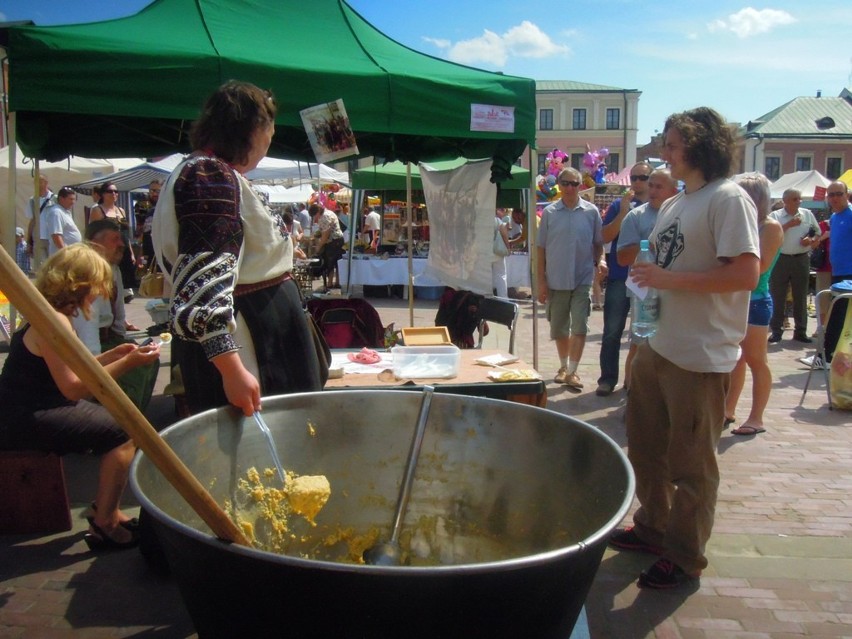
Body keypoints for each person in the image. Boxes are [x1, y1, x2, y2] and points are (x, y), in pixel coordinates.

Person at [608, 107, 760, 589]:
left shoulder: (728, 198)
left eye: (671, 144)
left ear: (698, 145)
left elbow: (745, 274)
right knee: (647, 449)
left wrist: (668, 279)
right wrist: (648, 280)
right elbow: (660, 262)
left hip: (699, 354)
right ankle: (653, 527)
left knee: (693, 466)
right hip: (659, 343)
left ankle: (686, 554)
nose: (663, 152)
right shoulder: (676, 202)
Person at [153, 80, 324, 416]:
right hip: (251, 341)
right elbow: (201, 287)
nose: (267, 144)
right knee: (263, 447)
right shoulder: (208, 176)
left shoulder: (210, 172)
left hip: (261, 332)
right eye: (268, 134)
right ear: (253, 128)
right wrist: (232, 370)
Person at [0, 243, 161, 550]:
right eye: (98, 286)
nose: (100, 294)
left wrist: (115, 354)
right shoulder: (54, 321)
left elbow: (74, 368)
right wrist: (127, 363)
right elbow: (74, 387)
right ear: (82, 284)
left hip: (25, 406)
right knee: (124, 434)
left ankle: (104, 505)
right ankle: (106, 523)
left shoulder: (48, 313)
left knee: (120, 426)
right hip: (25, 415)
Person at [72, 219, 159, 411]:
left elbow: (118, 313)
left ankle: (137, 418)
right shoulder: (88, 271)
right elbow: (86, 320)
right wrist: (97, 361)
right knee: (136, 371)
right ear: (95, 242)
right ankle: (122, 423)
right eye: (115, 239)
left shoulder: (114, 269)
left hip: (110, 338)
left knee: (150, 358)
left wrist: (123, 340)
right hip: (90, 345)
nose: (121, 244)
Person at [724, 173, 784, 436]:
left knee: (756, 360)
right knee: (735, 360)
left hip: (756, 300)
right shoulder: (741, 225)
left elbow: (759, 269)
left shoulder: (770, 227)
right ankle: (727, 409)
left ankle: (756, 417)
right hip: (735, 299)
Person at [536, 166, 604, 390]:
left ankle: (573, 371)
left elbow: (598, 244)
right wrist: (541, 282)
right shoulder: (549, 213)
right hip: (556, 279)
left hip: (582, 277)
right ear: (559, 184)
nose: (569, 188)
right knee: (559, 328)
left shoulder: (591, 212)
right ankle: (563, 366)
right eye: (565, 183)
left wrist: (601, 261)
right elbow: (540, 249)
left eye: (574, 183)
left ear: (580, 186)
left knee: (580, 326)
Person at [615, 168, 679, 391]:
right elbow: (622, 258)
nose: (651, 190)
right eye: (650, 185)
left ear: (673, 190)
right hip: (644, 293)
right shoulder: (636, 216)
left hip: (675, 290)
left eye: (658, 186)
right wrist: (648, 244)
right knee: (640, 344)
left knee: (670, 345)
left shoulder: (681, 214)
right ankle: (632, 391)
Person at [596, 162, 652, 396]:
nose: (637, 181)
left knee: (646, 333)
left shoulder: (664, 207)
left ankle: (639, 382)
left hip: (647, 279)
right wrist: (623, 212)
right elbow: (605, 235)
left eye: (643, 177)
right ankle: (608, 379)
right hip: (620, 276)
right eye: (634, 177)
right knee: (612, 331)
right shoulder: (621, 204)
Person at [767, 189, 820, 343]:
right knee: (778, 296)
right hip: (780, 259)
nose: (799, 201)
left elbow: (816, 233)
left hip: (801, 258)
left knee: (801, 296)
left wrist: (810, 239)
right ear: (786, 201)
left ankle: (801, 331)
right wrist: (789, 224)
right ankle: (776, 330)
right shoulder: (775, 216)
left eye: (800, 198)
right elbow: (770, 234)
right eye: (795, 199)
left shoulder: (807, 214)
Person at [89, 181, 140, 302]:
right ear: (103, 194)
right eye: (110, 191)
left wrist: (131, 252)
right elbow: (93, 234)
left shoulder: (121, 210)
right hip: (107, 251)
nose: (113, 194)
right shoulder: (98, 210)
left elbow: (125, 234)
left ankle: (120, 313)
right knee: (108, 281)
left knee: (122, 282)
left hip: (122, 250)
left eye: (115, 191)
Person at [822, 181, 852, 363]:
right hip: (838, 272)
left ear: (847, 194)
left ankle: (826, 356)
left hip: (849, 275)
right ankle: (831, 355)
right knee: (838, 315)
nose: (834, 198)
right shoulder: (835, 217)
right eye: (831, 194)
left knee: (838, 315)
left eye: (838, 194)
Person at [311, 202, 345, 290]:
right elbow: (323, 230)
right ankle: (337, 283)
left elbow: (325, 235)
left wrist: (318, 247)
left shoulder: (325, 217)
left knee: (330, 263)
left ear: (318, 212)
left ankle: (330, 284)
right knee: (336, 262)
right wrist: (316, 235)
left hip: (333, 241)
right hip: (338, 240)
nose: (315, 218)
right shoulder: (329, 212)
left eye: (315, 215)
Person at [42, 186, 82, 256]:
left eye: (74, 199)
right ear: (61, 198)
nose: (73, 202)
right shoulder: (56, 213)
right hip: (62, 256)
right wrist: (65, 253)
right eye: (70, 199)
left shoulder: (65, 212)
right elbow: (56, 236)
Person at [24, 175, 54, 262]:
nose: (38, 184)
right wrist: (29, 240)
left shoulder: (55, 198)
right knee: (40, 266)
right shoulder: (32, 200)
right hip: (38, 237)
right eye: (36, 182)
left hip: (53, 236)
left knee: (54, 264)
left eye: (40, 181)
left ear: (46, 183)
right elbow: (32, 220)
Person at [135, 179, 161, 268]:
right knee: (148, 277)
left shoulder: (167, 208)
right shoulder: (142, 206)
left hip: (163, 252)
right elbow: (141, 231)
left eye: (158, 191)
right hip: (147, 250)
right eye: (152, 190)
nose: (155, 194)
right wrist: (140, 253)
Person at [491, 209, 510, 298]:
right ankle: (503, 298)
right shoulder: (497, 221)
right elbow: (504, 234)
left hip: (483, 252)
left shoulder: (479, 219)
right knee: (501, 275)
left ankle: (487, 297)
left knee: (486, 275)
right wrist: (508, 248)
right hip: (497, 252)